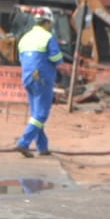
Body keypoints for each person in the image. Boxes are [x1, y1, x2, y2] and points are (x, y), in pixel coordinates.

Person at [13, 12, 67, 157]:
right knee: (41, 114)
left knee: (36, 114)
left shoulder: (24, 38)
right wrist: (62, 66)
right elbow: (56, 58)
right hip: (42, 78)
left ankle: (42, 147)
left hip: (28, 78)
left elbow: (21, 59)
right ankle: (23, 143)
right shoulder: (48, 37)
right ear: (47, 23)